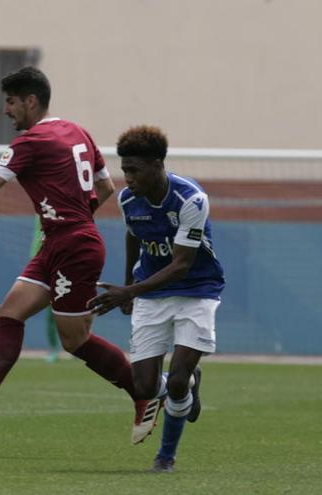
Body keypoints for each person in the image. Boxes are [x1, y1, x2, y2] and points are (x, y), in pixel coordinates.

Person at [0, 66, 157, 443]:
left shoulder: (30, 142)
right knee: (11, 311)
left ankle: (144, 392)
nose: (6, 110)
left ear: (31, 100)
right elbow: (106, 187)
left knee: (74, 340)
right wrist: (72, 217)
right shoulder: (78, 131)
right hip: (61, 241)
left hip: (73, 246)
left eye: (11, 102)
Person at [88, 125, 225, 472]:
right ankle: (188, 384)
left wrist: (131, 290)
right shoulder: (127, 200)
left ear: (157, 165)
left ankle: (166, 456)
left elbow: (181, 265)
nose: (128, 178)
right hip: (149, 291)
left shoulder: (191, 199)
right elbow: (134, 238)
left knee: (177, 379)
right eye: (125, 170)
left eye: (134, 170)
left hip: (196, 290)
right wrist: (127, 288)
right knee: (145, 386)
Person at [29, 216, 60, 363]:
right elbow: (38, 238)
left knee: (77, 309)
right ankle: (54, 349)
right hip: (44, 265)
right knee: (51, 312)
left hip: (67, 262)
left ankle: (82, 344)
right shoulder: (40, 214)